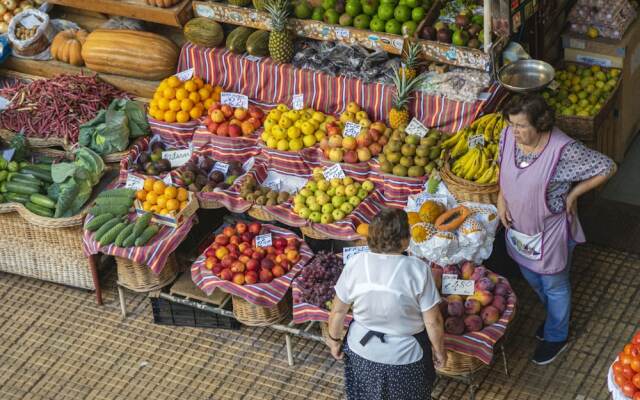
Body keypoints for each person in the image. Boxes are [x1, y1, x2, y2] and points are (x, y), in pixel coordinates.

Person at [498, 93, 616, 365]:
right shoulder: (508, 136)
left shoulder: (563, 150)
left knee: (554, 284)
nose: (514, 130)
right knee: (530, 275)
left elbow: (607, 167)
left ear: (540, 123)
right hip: (519, 230)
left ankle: (556, 335)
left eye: (521, 125)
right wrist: (501, 200)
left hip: (550, 233)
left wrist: (574, 195)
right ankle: (555, 316)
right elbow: (501, 169)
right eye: (511, 123)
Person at [325, 208, 446, 400]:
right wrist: (439, 351)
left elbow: (338, 311)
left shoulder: (356, 263)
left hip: (361, 352)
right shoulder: (418, 270)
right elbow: (433, 322)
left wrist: (334, 340)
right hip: (406, 359)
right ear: (405, 239)